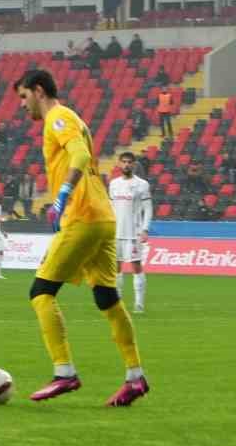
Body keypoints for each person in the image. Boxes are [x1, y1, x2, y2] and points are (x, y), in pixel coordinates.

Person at [13, 69, 149, 406]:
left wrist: (62, 193)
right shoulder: (71, 116)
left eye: (23, 96)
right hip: (104, 218)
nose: (22, 105)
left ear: (39, 90)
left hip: (82, 216)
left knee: (41, 292)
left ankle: (64, 372)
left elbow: (81, 155)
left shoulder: (57, 117)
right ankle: (135, 377)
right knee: (107, 298)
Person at [109, 152, 154, 314]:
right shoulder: (113, 184)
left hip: (133, 233)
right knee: (116, 267)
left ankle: (139, 304)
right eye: (124, 162)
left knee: (136, 266)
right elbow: (111, 207)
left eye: (129, 162)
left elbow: (148, 209)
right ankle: (117, 302)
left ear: (134, 164)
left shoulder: (142, 185)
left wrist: (145, 229)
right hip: (116, 233)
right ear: (119, 164)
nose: (126, 165)